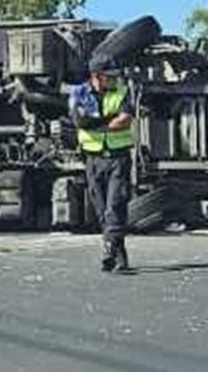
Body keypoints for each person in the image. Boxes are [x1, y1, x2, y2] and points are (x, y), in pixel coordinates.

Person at [69, 59, 136, 272]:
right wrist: (109, 120)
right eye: (111, 76)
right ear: (97, 76)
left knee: (115, 205)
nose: (115, 79)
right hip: (93, 158)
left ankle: (109, 248)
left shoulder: (123, 91)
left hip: (118, 156)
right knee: (101, 210)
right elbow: (80, 122)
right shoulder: (79, 93)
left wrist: (96, 124)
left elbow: (124, 120)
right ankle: (119, 255)